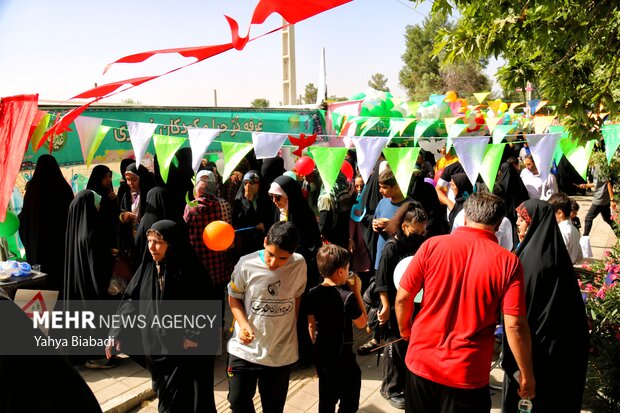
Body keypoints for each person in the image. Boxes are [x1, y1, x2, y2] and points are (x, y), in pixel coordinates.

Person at [395, 192, 535, 412]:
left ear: (465, 217)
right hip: (467, 372)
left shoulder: (432, 246)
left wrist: (405, 329)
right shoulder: (508, 262)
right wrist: (526, 373)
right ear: (498, 224)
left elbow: (403, 297)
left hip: (422, 363)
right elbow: (514, 325)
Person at [106, 220, 216, 412]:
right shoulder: (148, 267)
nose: (151, 247)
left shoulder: (189, 269)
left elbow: (204, 302)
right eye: (149, 241)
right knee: (167, 395)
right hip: (156, 346)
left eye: (158, 242)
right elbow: (131, 300)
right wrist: (117, 331)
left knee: (176, 402)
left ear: (171, 244)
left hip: (182, 348)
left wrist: (193, 334)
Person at [503, 199, 589, 412]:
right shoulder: (554, 255)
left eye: (522, 219)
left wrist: (521, 367)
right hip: (559, 352)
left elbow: (518, 317)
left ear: (534, 222)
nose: (517, 224)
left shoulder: (529, 262)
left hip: (533, 351)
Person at [226, 221, 307, 413]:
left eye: (282, 258)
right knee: (237, 402)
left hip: (279, 353)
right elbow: (234, 299)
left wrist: (291, 330)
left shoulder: (300, 264)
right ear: (264, 242)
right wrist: (243, 324)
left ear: (293, 253)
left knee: (273, 408)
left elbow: (297, 298)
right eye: (271, 255)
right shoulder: (246, 264)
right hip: (244, 349)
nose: (274, 263)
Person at [376, 202, 427, 410]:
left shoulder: (418, 244)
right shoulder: (391, 248)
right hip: (395, 303)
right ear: (405, 226)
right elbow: (382, 281)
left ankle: (405, 384)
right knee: (393, 347)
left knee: (407, 346)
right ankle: (390, 388)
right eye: (416, 231)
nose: (420, 235)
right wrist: (386, 306)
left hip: (412, 303)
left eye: (423, 231)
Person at [306, 244, 367, 413]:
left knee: (326, 400)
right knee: (349, 401)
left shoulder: (312, 293)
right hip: (343, 358)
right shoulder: (347, 298)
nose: (349, 272)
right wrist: (357, 291)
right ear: (340, 271)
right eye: (348, 268)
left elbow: (311, 325)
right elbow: (363, 323)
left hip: (323, 356)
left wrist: (316, 353)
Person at [18, 154, 74, 292]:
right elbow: (72, 218)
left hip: (39, 250)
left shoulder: (32, 191)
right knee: (61, 283)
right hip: (61, 248)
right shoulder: (64, 188)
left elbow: (24, 219)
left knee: (43, 286)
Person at [233, 170, 274, 256]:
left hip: (264, 241)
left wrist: (265, 224)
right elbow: (240, 221)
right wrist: (248, 202)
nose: (248, 186)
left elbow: (271, 217)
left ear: (259, 184)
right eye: (245, 183)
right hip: (247, 243)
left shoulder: (267, 198)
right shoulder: (239, 201)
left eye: (251, 183)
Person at [86, 164, 120, 251]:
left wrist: (116, 200)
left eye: (109, 176)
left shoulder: (110, 194)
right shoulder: (92, 196)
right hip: (99, 237)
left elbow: (116, 214)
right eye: (105, 177)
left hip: (112, 236)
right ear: (98, 178)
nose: (108, 180)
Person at [578, 165, 617, 237]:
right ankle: (619, 234)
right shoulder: (596, 167)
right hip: (603, 199)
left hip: (600, 199)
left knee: (588, 218)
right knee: (607, 219)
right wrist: (586, 185)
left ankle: (585, 239)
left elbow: (608, 183)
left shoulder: (600, 167)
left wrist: (612, 200)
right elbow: (597, 183)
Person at [548, 192, 583, 264]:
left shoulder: (561, 231)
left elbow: (557, 256)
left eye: (551, 213)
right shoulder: (574, 229)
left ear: (560, 213)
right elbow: (579, 256)